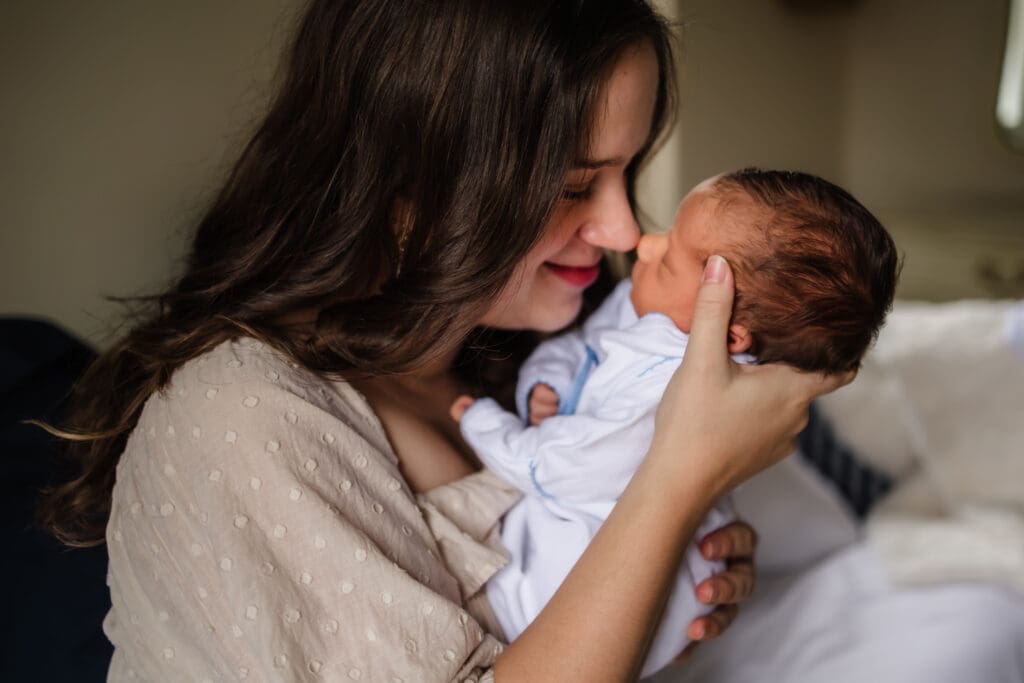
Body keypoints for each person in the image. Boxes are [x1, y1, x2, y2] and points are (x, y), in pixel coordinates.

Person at [36, 2, 844, 680]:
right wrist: (675, 480)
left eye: (626, 175)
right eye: (571, 186)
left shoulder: (529, 358)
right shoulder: (241, 416)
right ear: (407, 182)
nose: (624, 228)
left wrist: (660, 579)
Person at [450, 168, 899, 677]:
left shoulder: (672, 385)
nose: (642, 245)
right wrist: (545, 384)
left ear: (728, 332)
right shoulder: (648, 314)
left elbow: (557, 466)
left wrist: (485, 424)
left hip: (555, 609)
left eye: (669, 261)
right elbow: (584, 347)